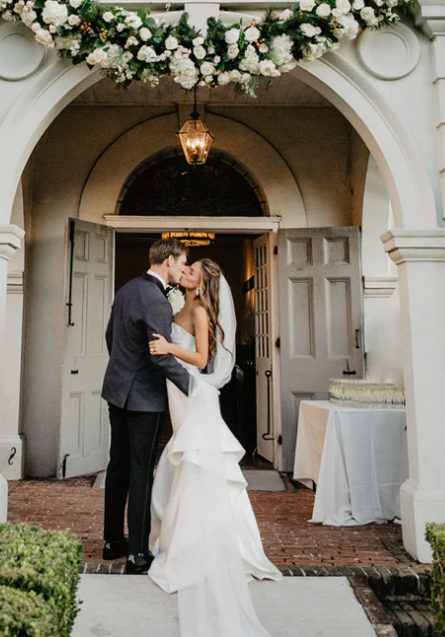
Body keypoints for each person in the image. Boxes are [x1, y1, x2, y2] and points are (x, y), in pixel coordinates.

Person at [148, 258, 282, 637]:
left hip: (194, 394)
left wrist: (168, 348)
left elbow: (203, 359)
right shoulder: (184, 305)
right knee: (186, 461)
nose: (185, 270)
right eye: (185, 267)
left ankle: (208, 545)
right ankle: (185, 539)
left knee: (198, 466)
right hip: (181, 392)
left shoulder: (202, 309)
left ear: (202, 281)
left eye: (192, 270)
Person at [101, 238, 193, 575]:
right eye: (183, 262)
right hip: (144, 399)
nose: (184, 268)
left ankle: (112, 541)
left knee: (119, 466)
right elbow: (161, 356)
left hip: (117, 391)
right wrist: (193, 387)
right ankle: (137, 553)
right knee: (141, 472)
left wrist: (125, 369)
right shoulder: (157, 301)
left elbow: (111, 336)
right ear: (168, 261)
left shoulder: (127, 289)